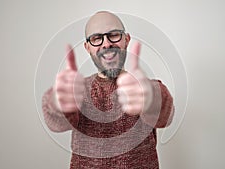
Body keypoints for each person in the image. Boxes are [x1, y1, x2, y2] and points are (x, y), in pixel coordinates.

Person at [42, 11, 174, 169]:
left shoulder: (144, 88)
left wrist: (150, 98)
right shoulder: (78, 90)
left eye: (113, 35)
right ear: (88, 47)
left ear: (126, 39)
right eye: (97, 38)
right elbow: (56, 123)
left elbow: (166, 116)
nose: (106, 44)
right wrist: (57, 102)